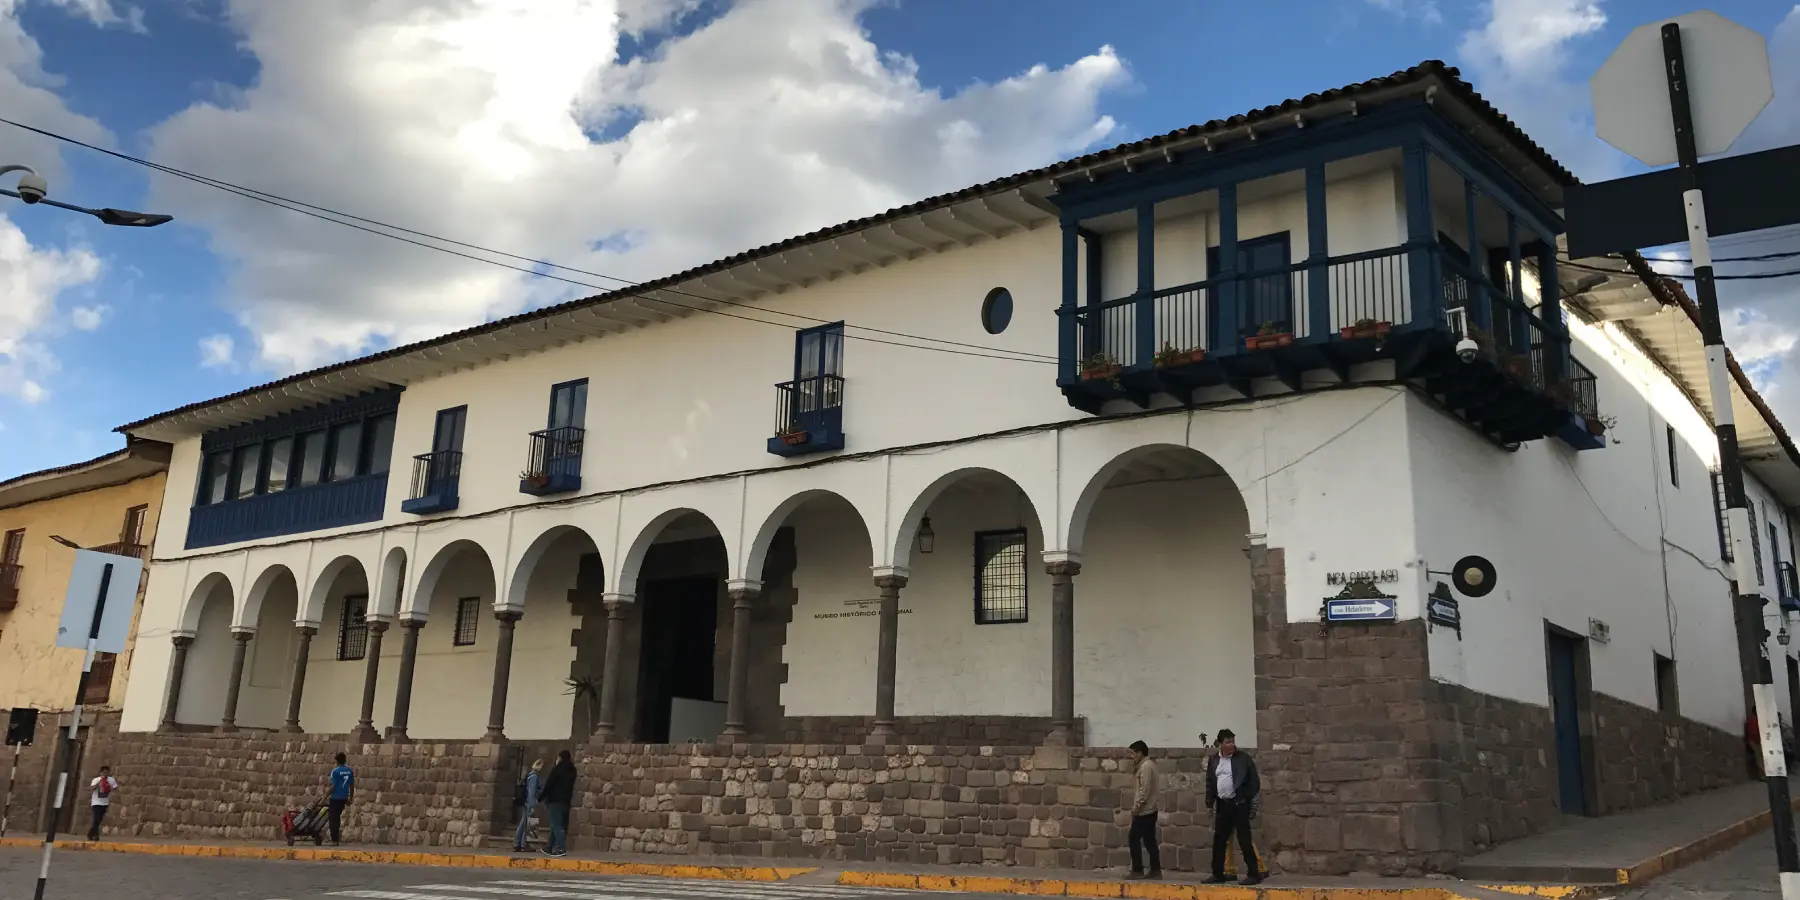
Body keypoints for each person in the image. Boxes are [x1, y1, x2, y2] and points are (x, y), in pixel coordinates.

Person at [1205, 728, 1263, 886]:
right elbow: (1210, 783)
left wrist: (1245, 797)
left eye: (1233, 741)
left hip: (1239, 804)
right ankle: (1217, 873)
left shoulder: (1243, 759)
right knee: (1219, 840)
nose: (1231, 745)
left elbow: (1254, 782)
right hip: (1223, 805)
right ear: (1220, 744)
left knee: (1244, 839)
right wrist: (1209, 804)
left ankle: (1253, 873)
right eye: (1228, 742)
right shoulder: (1214, 760)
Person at [1124, 740, 1161, 880]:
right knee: (1149, 840)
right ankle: (1156, 870)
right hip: (1151, 809)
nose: (1132, 756)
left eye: (1133, 753)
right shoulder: (1149, 765)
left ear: (1140, 753)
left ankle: (1137, 869)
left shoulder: (1145, 767)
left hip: (1144, 811)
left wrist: (1136, 808)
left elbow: (1144, 791)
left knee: (1133, 838)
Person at [540, 750, 577, 857]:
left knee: (556, 825)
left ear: (560, 758)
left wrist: (540, 797)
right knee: (556, 825)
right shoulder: (572, 771)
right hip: (565, 802)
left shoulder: (556, 770)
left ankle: (561, 847)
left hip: (554, 801)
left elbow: (549, 785)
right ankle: (549, 846)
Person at [513, 759, 544, 853]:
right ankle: (523, 844)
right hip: (530, 803)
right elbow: (532, 792)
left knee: (523, 824)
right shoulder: (534, 777)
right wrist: (533, 806)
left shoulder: (530, 776)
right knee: (527, 825)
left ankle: (517, 843)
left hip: (527, 803)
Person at [326, 752, 355, 846]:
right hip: (344, 797)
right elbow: (351, 785)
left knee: (333, 819)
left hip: (335, 798)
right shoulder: (349, 771)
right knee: (337, 817)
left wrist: (324, 796)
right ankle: (336, 838)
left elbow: (332, 786)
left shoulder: (335, 771)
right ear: (345, 760)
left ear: (336, 761)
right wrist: (350, 798)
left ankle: (335, 840)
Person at [87, 766, 118, 841]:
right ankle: (95, 836)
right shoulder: (96, 780)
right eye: (104, 772)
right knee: (96, 818)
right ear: (101, 773)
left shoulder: (111, 780)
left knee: (99, 819)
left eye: (107, 772)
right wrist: (100, 782)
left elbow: (115, 788)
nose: (105, 774)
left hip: (104, 803)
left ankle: (90, 833)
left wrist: (110, 787)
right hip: (96, 803)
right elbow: (92, 788)